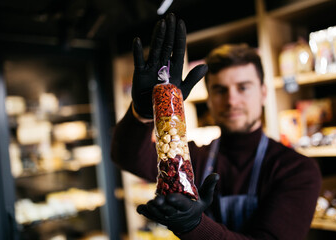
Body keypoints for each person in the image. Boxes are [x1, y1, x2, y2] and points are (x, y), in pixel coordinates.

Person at [111, 13, 322, 240]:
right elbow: (127, 156)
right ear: (209, 98)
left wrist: (193, 225)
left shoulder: (296, 169)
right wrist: (142, 113)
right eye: (220, 90)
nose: (231, 101)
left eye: (243, 88)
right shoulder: (195, 160)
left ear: (263, 93)